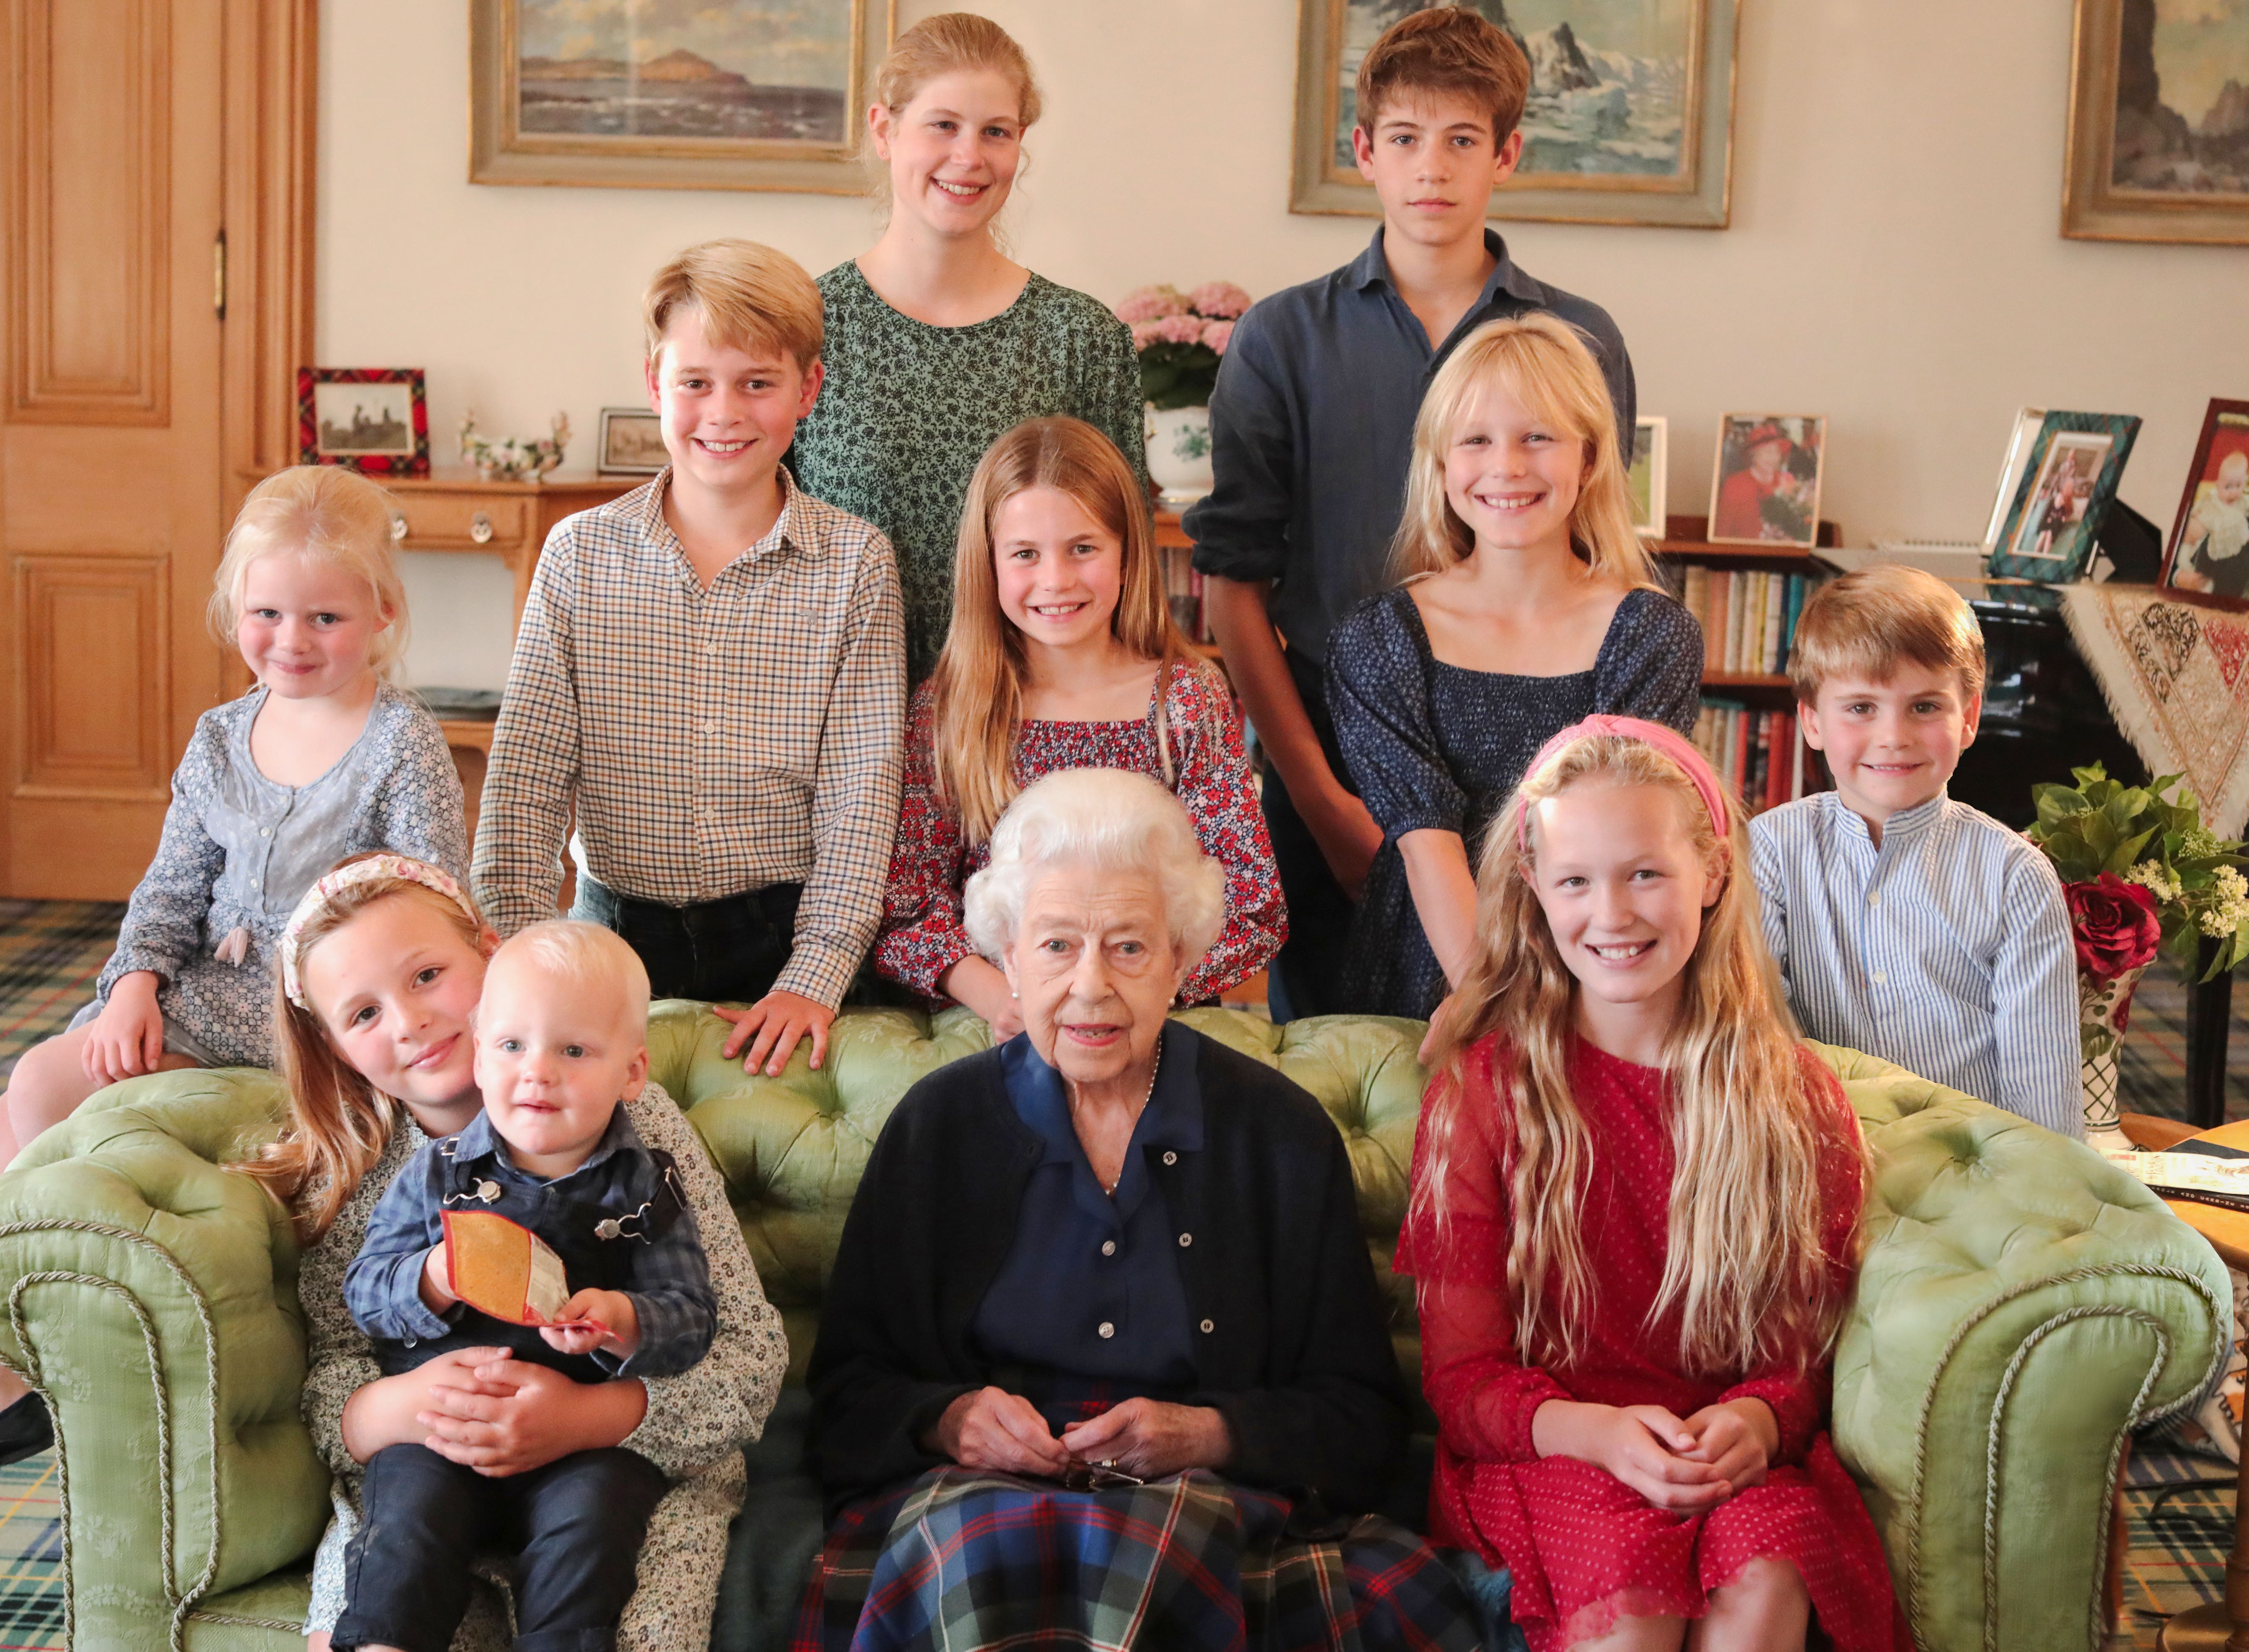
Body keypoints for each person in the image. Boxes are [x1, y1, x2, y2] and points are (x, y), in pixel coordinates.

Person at [0, 467, 468, 1504]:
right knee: (30, 1095)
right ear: (235, 607)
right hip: (199, 993)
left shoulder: (400, 741)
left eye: (324, 616)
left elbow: (426, 897)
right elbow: (169, 888)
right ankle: (23, 1333)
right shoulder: (218, 736)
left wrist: (359, 1009)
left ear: (380, 613)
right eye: (266, 612)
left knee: (37, 1119)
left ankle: (4, 1366)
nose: (291, 639)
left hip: (314, 1018)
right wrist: (134, 984)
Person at [803, 769, 1479, 1652]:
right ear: (1007, 955)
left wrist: (1211, 1430)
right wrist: (948, 1417)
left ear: (1182, 962)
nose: (1091, 985)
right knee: (986, 1549)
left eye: (1128, 946)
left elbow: (1361, 1418)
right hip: (979, 1501)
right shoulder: (939, 1127)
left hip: (1210, 1500)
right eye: (1056, 945)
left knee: (1168, 1549)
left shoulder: (1277, 1133)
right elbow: (847, 1396)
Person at [1401, 716, 1904, 1652]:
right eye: (1578, 881)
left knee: (1767, 1572)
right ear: (1537, 893)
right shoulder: (1486, 1092)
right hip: (1550, 1451)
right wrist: (1593, 1432)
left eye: (1646, 873)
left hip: (1724, 1456)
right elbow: (1462, 1380)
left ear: (1712, 875)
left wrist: (1758, 1416)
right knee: (1631, 1605)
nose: (1615, 914)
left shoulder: (1790, 1094)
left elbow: (1802, 1350)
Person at [1186, 5, 1635, 1021]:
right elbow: (1232, 581)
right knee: (1337, 1078)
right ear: (1364, 152)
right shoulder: (1281, 338)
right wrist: (1322, 804)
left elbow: (1600, 554)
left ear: (1506, 154)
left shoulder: (1577, 339)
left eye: (1461, 141)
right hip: (1328, 763)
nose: (1430, 168)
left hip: (1530, 759)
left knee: (1534, 1043)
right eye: (1403, 140)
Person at [247, 853, 788, 1651]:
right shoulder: (367, 1169)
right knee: (376, 1605)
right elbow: (332, 1374)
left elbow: (745, 1354)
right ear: (333, 1046)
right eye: (363, 1014)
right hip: (426, 1469)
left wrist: (587, 1411)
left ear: (491, 956)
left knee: (620, 1616)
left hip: (622, 1458)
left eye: (428, 974)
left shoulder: (632, 1127)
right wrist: (399, 1405)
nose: (409, 1021)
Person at [472, 238, 907, 1081]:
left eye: (758, 382)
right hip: (610, 937)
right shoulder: (577, 556)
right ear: (653, 385)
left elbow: (862, 793)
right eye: (695, 382)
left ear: (808, 390)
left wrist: (814, 976)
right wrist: (526, 960)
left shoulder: (857, 564)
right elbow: (525, 782)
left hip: (782, 940)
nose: (724, 412)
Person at [333, 919, 715, 1652]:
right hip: (444, 1431)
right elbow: (365, 1292)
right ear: (480, 1058)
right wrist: (433, 1278)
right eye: (511, 1045)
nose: (537, 1071)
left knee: (595, 1523)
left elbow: (692, 1315)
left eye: (573, 1050)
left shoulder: (646, 1186)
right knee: (404, 1528)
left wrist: (622, 1319)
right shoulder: (438, 1172)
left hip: (579, 1440)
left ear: (631, 1072)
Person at [1327, 314, 1700, 1027]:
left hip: (1601, 957)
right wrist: (1487, 999)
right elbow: (1424, 838)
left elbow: (1623, 834)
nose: (1507, 466)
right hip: (1433, 964)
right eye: (1476, 440)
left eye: (1538, 437)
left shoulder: (1652, 634)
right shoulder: (1379, 638)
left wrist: (1554, 1010)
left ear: (1589, 460)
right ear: (1439, 465)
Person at [873, 417, 1283, 1029]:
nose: (1056, 580)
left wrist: (1131, 994)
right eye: (1025, 555)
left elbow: (1251, 907)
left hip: (1158, 1025)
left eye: (1083, 548)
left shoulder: (1185, 701)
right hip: (996, 1026)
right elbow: (905, 907)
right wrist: (1002, 999)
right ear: (989, 564)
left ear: (1127, 555)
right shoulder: (951, 709)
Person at [790, 13, 1146, 682]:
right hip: (840, 730)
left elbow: (1126, 569)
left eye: (996, 133)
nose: (970, 157)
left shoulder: (1083, 340)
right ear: (884, 129)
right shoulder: (805, 326)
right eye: (943, 125)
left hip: (1033, 731)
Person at [1748, 565, 2081, 1136]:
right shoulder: (1770, 853)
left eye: (1925, 707)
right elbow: (1761, 1041)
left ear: (1970, 717)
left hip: (1978, 1174)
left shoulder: (2015, 877)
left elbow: (2044, 1096)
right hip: (1823, 1161)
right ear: (1812, 722)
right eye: (1860, 708)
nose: (1894, 736)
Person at [2175, 450, 2249, 599]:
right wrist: (2178, 577)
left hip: (2228, 598)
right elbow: (2183, 538)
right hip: (2192, 570)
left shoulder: (2247, 505)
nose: (2233, 493)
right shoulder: (2213, 501)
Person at [1710, 422, 1807, 543]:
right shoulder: (1735, 483)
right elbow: (1722, 529)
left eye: (1776, 452)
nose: (1772, 458)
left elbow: (1798, 526)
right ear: (1754, 455)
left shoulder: (1788, 480)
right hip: (1744, 552)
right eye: (1767, 452)